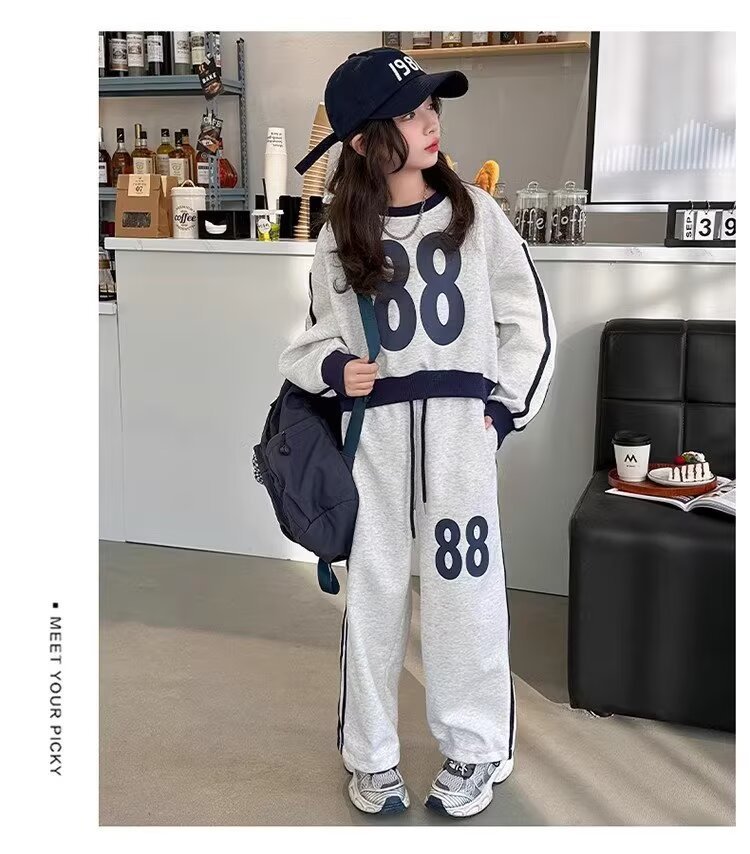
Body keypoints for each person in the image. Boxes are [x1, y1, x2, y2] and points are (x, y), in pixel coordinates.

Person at [278, 47, 556, 819]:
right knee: (371, 602)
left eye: (431, 105)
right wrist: (338, 369)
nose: (430, 120)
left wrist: (501, 412)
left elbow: (528, 323)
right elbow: (311, 339)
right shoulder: (339, 237)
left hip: (460, 441)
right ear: (363, 140)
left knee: (467, 600)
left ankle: (477, 747)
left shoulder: (478, 216)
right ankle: (369, 755)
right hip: (374, 444)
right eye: (407, 112)